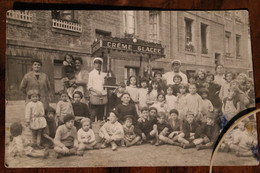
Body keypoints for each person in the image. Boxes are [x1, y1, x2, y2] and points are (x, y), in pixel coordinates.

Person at [88, 57, 107, 122]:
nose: (98, 65)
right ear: (94, 64)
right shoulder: (91, 74)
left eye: (99, 63)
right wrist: (96, 91)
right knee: (93, 115)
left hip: (102, 97)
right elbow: (89, 86)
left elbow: (106, 84)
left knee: (101, 115)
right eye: (96, 63)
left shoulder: (104, 74)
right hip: (94, 96)